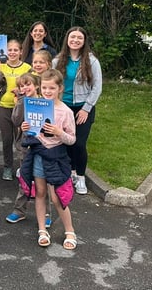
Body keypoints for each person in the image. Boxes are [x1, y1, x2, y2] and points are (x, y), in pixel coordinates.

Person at [18, 69, 78, 250]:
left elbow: (72, 139)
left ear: (60, 88)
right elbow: (29, 132)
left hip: (56, 156)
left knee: (57, 196)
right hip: (37, 155)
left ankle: (70, 230)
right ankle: (42, 229)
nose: (48, 91)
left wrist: (59, 132)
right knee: (40, 193)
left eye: (52, 88)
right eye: (44, 87)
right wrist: (24, 128)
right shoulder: (36, 104)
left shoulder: (65, 111)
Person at [53, 26, 102, 195]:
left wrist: (86, 109)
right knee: (65, 142)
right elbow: (52, 84)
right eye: (72, 37)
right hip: (63, 106)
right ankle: (70, 172)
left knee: (79, 143)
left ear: (84, 41)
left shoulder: (92, 61)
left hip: (82, 107)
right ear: (67, 39)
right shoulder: (58, 60)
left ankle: (80, 176)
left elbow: (97, 87)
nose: (75, 40)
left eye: (79, 38)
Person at [5, 73, 52, 228]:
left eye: (28, 84)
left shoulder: (46, 102)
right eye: (21, 86)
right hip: (26, 147)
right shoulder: (22, 101)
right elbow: (16, 120)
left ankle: (46, 213)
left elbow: (51, 123)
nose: (25, 88)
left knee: (43, 181)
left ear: (37, 85)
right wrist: (20, 101)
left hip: (43, 147)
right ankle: (19, 210)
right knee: (24, 179)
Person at [0, 39, 31, 181]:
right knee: (7, 139)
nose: (12, 52)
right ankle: (7, 167)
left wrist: (20, 91)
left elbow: (31, 86)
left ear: (20, 52)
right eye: (10, 50)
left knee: (21, 138)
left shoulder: (27, 67)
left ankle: (23, 167)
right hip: (4, 107)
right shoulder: (1, 66)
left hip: (21, 108)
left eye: (15, 50)